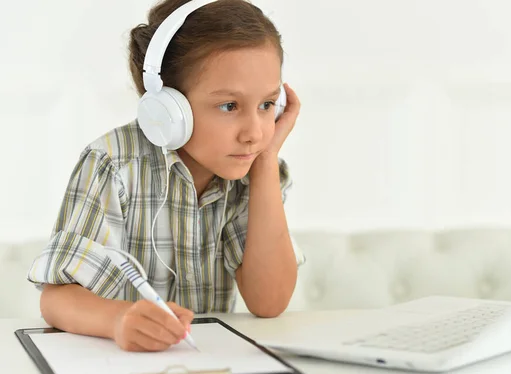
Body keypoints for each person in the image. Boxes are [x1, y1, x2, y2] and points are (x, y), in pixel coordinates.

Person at [26, 0, 304, 352]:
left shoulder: (255, 170)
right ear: (168, 109)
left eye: (266, 105)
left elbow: (269, 301)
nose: (254, 132)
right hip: (124, 366)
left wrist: (266, 160)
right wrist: (118, 320)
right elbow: (56, 298)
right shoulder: (114, 163)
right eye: (229, 106)